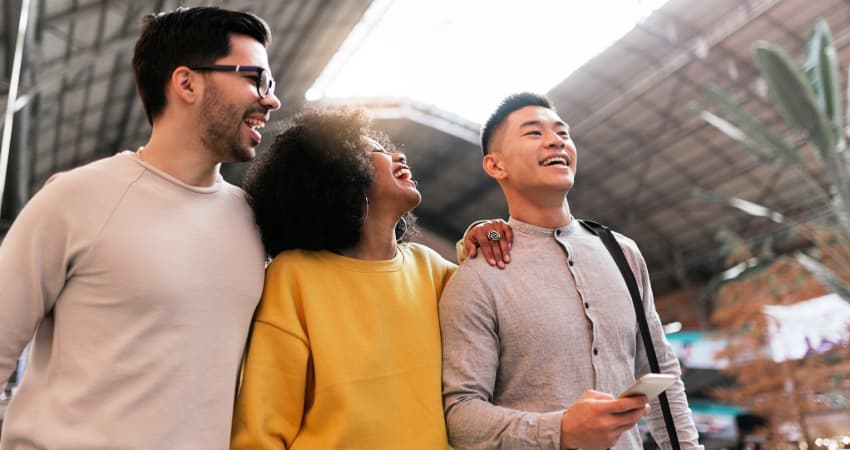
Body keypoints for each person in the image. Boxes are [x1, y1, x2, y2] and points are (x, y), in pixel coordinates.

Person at [0, 7, 281, 448]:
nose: (271, 99)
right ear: (186, 82)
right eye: (255, 79)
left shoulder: (254, 223)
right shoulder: (75, 198)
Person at [439, 92, 703, 450]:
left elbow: (661, 375)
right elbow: (460, 416)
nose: (555, 140)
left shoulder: (622, 253)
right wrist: (558, 429)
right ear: (495, 166)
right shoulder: (478, 278)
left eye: (562, 132)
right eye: (533, 133)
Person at [230, 107, 464, 448]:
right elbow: (261, 426)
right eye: (378, 153)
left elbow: (499, 300)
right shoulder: (294, 275)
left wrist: (485, 235)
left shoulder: (433, 269)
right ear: (343, 172)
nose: (399, 155)